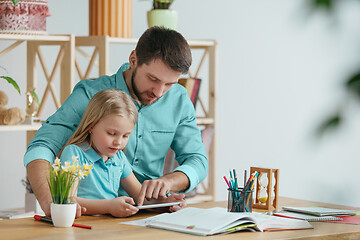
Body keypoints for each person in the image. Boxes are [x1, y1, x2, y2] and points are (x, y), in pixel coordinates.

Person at [24, 26, 209, 217]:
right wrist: (51, 203)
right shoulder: (90, 94)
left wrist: (168, 183)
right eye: (152, 79)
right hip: (95, 217)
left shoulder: (179, 99)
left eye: (170, 84)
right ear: (133, 59)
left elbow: (198, 161)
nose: (159, 92)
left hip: (147, 214)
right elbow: (41, 147)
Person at [59, 89, 185, 217]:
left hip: (112, 227)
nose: (118, 142)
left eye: (125, 136)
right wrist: (109, 207)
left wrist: (165, 203)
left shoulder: (118, 158)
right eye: (112, 134)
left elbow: (140, 197)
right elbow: (68, 201)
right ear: (91, 125)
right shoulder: (74, 153)